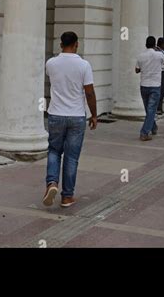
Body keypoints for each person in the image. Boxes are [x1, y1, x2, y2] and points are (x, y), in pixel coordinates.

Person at [43, 31, 97, 209]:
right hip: (76, 116)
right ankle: (67, 197)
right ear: (76, 44)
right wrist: (94, 115)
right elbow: (89, 92)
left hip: (56, 114)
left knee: (54, 151)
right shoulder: (84, 65)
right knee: (72, 157)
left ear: (60, 44)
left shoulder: (51, 63)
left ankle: (52, 183)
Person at [135, 36, 164, 141]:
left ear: (146, 44)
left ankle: (153, 128)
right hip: (155, 86)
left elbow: (137, 70)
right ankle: (144, 132)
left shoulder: (141, 56)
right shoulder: (159, 55)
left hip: (144, 85)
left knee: (149, 110)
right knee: (151, 110)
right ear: (155, 45)